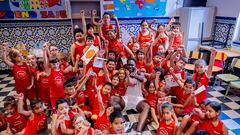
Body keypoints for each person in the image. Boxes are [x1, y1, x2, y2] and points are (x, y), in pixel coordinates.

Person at [110, 58, 150, 134]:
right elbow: (129, 83)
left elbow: (141, 78)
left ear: (135, 65)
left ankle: (138, 131)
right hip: (127, 98)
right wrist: (128, 75)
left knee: (146, 106)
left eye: (132, 64)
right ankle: (120, 120)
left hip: (138, 99)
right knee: (112, 98)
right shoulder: (125, 72)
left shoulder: (139, 72)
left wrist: (135, 75)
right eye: (129, 64)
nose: (130, 66)